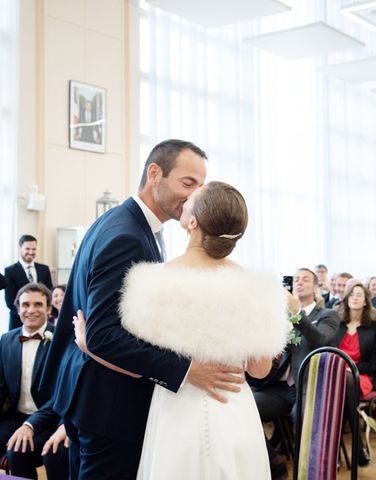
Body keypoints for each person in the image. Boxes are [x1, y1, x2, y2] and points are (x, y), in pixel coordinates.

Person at [40, 140, 242, 479]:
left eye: (199, 187)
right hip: (109, 406)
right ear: (154, 174)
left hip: (91, 396)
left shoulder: (130, 224)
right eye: (187, 183)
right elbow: (104, 335)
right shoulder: (127, 236)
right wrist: (187, 370)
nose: (193, 196)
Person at [76, 181, 290, 479]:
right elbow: (258, 370)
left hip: (176, 413)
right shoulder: (258, 287)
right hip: (234, 409)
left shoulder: (155, 281)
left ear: (192, 222)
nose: (186, 199)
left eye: (191, 199)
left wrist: (89, 345)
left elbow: (137, 365)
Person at [252, 267, 339, 479]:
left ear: (316, 287)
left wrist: (297, 313)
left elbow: (320, 339)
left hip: (310, 386)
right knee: (246, 406)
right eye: (297, 279)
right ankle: (274, 461)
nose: (299, 282)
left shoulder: (328, 315)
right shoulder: (279, 316)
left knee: (299, 416)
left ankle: (307, 471)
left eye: (306, 279)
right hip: (281, 387)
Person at [0, 283, 66, 480]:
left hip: (50, 420)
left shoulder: (61, 340)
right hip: (15, 417)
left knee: (18, 452)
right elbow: (2, 389)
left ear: (48, 308)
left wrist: (31, 425)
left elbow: (60, 395)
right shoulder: (6, 340)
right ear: (17, 308)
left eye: (38, 305)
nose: (31, 310)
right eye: (25, 305)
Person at [335, 282, 376, 467]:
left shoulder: (373, 327)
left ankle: (336, 452)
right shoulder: (337, 325)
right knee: (341, 386)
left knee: (347, 381)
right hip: (336, 377)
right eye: (352, 295)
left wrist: (351, 368)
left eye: (359, 295)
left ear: (365, 302)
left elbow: (375, 364)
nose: (355, 298)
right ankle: (358, 446)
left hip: (362, 377)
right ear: (346, 300)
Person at [4, 235, 53, 330]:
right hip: (17, 322)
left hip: (42, 322)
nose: (31, 252)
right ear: (20, 248)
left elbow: (49, 295)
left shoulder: (44, 269)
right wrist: (27, 316)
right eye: (27, 249)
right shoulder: (10, 271)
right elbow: (10, 301)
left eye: (34, 249)